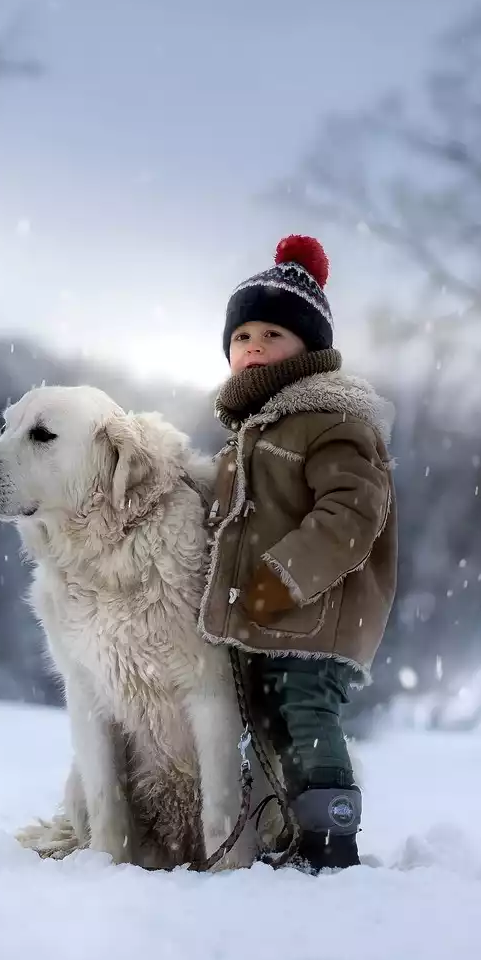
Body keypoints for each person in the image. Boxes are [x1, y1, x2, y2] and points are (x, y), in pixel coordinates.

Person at [198, 233, 399, 872]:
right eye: (241, 337)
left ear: (309, 349)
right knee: (268, 724)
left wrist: (284, 576)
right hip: (267, 613)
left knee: (305, 712)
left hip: (315, 610)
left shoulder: (332, 422)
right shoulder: (249, 436)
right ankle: (289, 827)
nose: (252, 346)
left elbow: (352, 512)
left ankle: (333, 840)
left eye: (272, 336)